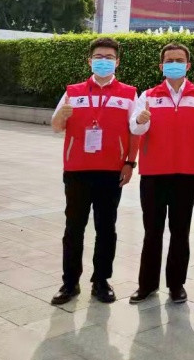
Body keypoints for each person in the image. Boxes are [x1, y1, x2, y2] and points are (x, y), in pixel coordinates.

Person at [49, 37, 138, 305]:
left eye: (109, 57)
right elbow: (56, 127)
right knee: (73, 228)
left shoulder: (128, 94)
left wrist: (130, 163)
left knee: (106, 228)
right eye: (98, 57)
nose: (103, 61)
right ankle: (70, 282)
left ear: (117, 62)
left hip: (111, 172)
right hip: (77, 170)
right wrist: (62, 115)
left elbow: (135, 131)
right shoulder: (73, 92)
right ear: (89, 61)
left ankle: (101, 281)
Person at [128, 42, 194, 304]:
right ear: (161, 66)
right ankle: (147, 285)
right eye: (169, 61)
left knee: (180, 231)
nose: (174, 64)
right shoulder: (148, 96)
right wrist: (140, 120)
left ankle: (176, 285)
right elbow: (135, 129)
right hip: (153, 174)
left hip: (185, 174)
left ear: (188, 65)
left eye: (179, 60)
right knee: (152, 231)